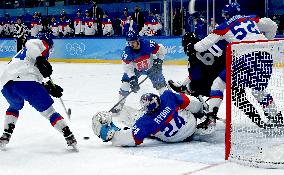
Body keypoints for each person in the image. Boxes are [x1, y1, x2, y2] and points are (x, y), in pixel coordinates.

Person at [193, 2, 282, 131]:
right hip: (266, 55)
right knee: (258, 90)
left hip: (245, 57)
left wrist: (192, 46)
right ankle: (277, 118)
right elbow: (273, 25)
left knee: (219, 83)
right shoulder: (251, 18)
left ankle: (210, 118)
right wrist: (265, 40)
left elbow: (202, 46)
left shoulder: (224, 26)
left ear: (226, 15)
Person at [0, 33, 77, 150]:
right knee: (50, 112)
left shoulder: (25, 55)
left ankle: (6, 134)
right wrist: (41, 58)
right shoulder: (38, 44)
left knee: (14, 106)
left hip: (8, 84)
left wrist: (50, 88)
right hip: (26, 83)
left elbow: (36, 79)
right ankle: (68, 135)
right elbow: (30, 43)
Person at [92, 90, 204, 146]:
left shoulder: (144, 122)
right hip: (191, 125)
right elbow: (190, 103)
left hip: (174, 139)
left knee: (138, 121)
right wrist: (200, 110)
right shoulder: (167, 96)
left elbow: (129, 139)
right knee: (182, 101)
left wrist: (110, 135)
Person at [168, 32, 226, 134]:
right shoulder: (209, 44)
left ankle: (206, 114)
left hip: (211, 87)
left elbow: (194, 76)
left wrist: (182, 86)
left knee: (191, 88)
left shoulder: (193, 54)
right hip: (227, 77)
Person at [110, 31, 167, 113]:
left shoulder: (147, 44)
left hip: (151, 67)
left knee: (161, 85)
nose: (131, 45)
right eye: (129, 42)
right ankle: (120, 105)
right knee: (125, 83)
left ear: (138, 40)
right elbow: (128, 67)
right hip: (136, 70)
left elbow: (161, 49)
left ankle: (168, 102)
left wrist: (158, 62)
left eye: (133, 42)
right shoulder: (127, 52)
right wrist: (132, 78)